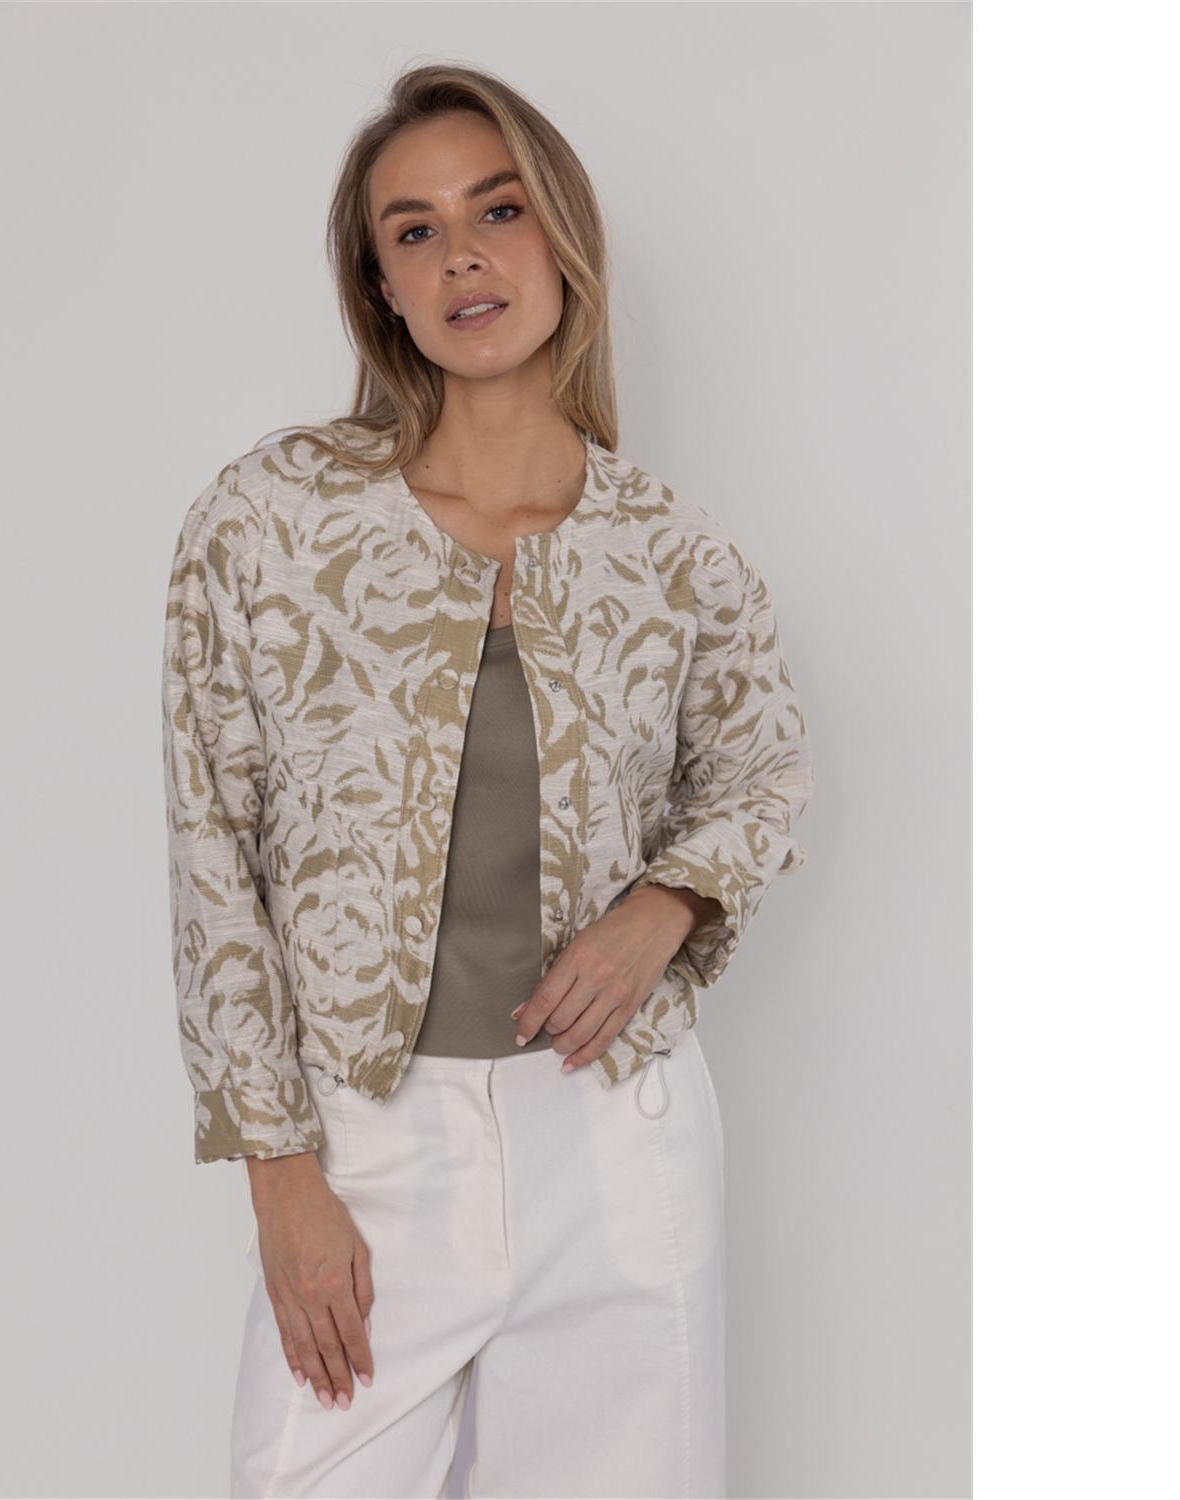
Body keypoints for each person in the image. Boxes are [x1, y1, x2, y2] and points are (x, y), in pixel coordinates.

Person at [161, 62, 815, 1499]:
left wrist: (661, 909)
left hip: (621, 1139)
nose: (462, 255)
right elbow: (214, 847)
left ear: (561, 236)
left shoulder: (673, 552)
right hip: (365, 1148)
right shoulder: (272, 523)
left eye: (497, 210)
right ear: (381, 286)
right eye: (415, 231)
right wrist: (279, 1172)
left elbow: (763, 767)